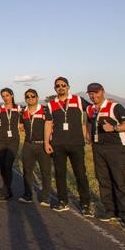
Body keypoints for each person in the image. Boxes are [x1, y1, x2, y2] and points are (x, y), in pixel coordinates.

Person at [85, 83, 125, 227]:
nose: (93, 96)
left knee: (120, 180)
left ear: (102, 92)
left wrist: (113, 127)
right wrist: (88, 135)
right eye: (91, 93)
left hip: (116, 148)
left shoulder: (115, 107)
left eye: (96, 92)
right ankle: (110, 210)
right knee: (103, 179)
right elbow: (88, 122)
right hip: (98, 148)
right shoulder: (90, 109)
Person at [44, 76, 93, 215]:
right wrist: (47, 142)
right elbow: (48, 124)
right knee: (60, 174)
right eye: (58, 86)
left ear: (68, 87)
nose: (61, 87)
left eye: (63, 85)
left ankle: (85, 204)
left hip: (76, 143)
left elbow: (91, 112)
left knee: (80, 175)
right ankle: (62, 201)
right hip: (58, 144)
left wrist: (88, 133)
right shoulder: (51, 104)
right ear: (55, 89)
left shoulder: (78, 100)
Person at [20, 89, 54, 206]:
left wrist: (46, 143)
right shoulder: (23, 111)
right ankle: (27, 195)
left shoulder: (44, 110)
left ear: (37, 97)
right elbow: (21, 125)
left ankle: (45, 197)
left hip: (42, 144)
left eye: (32, 96)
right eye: (27, 97)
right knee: (27, 171)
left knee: (45, 172)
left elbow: (48, 125)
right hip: (28, 144)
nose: (30, 98)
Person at [0, 87, 21, 201]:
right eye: (3, 96)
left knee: (8, 165)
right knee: (3, 166)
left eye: (7, 95)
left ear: (12, 95)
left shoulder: (18, 108)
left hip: (14, 139)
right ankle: (7, 189)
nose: (5, 98)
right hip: (1, 139)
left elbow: (24, 121)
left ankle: (6, 190)